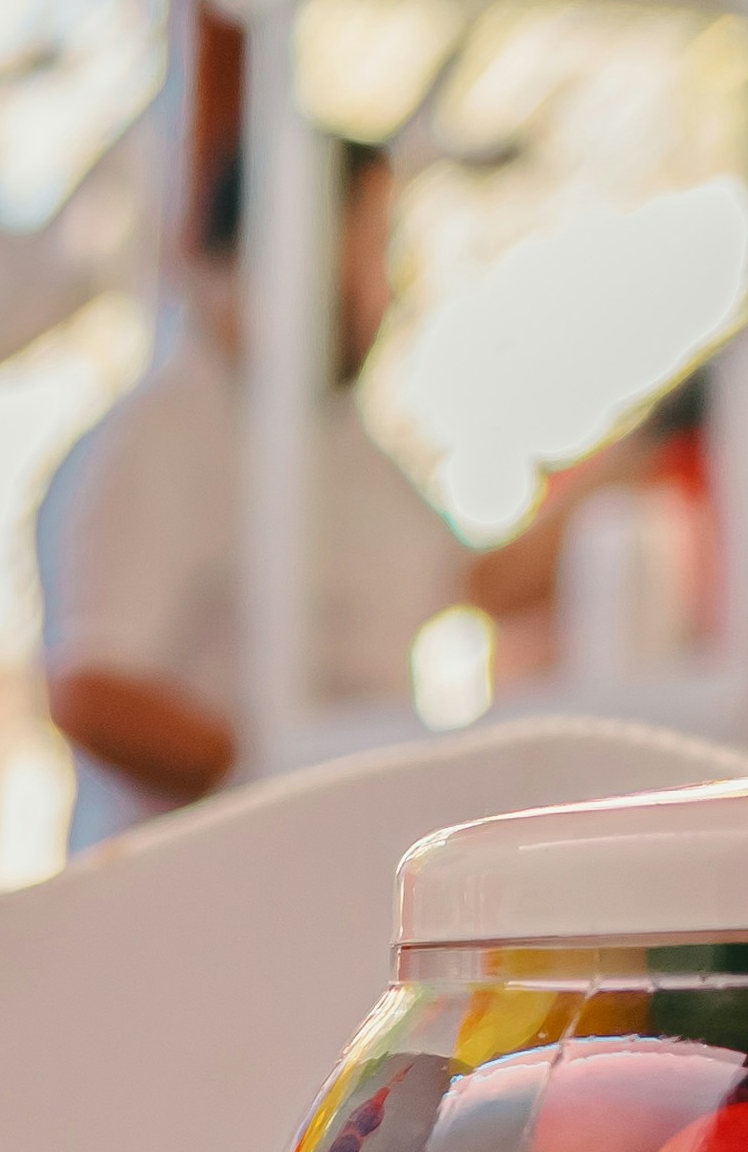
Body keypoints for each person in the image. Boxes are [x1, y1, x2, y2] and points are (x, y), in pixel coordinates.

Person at [36, 131, 468, 833]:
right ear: (301, 246)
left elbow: (470, 579)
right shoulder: (162, 435)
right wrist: (286, 786)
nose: (388, 289)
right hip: (203, 898)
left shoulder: (325, 434)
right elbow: (91, 690)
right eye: (374, 245)